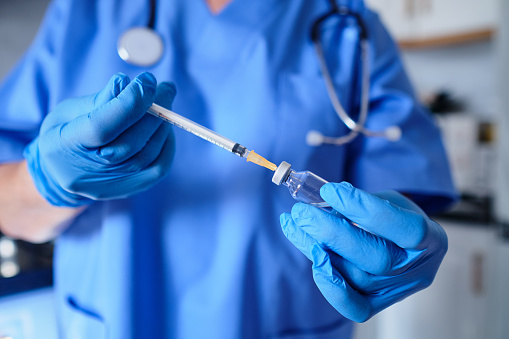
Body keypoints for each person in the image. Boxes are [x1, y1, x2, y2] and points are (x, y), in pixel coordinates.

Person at [0, 0, 457, 338]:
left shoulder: (349, 26)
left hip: (278, 322)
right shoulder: (86, 13)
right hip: (113, 320)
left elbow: (395, 203)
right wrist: (44, 180)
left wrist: (394, 247)